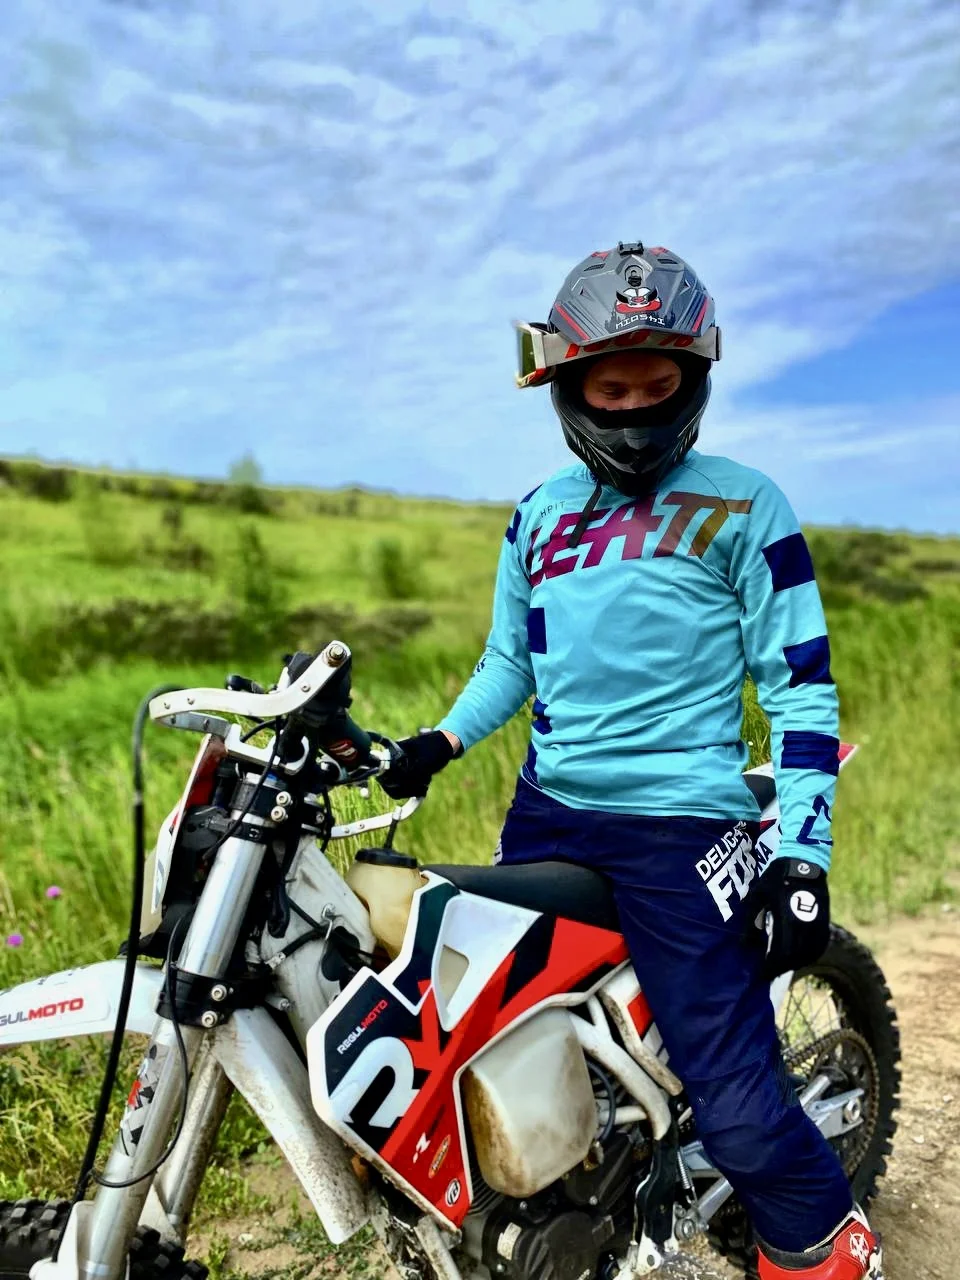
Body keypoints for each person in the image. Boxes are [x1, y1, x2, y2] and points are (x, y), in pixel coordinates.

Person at [380, 242, 883, 1279]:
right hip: (548, 812)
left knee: (740, 1108)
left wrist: (805, 855)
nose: (636, 413)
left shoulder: (747, 505)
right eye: (612, 391)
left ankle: (830, 1245)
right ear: (567, 388)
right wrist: (437, 742)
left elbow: (799, 687)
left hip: (682, 828)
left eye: (659, 388)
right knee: (499, 1042)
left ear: (694, 382)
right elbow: (510, 662)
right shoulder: (538, 515)